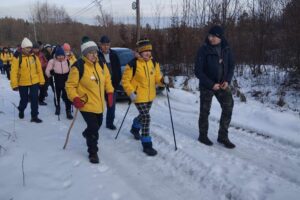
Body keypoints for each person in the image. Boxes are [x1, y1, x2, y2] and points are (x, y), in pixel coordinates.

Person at [65, 37, 114, 164]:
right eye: (90, 53)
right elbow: (70, 86)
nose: (93, 55)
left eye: (95, 52)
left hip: (99, 104)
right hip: (85, 103)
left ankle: (87, 133)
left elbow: (107, 80)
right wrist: (75, 98)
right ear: (85, 54)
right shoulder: (78, 67)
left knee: (96, 126)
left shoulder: (101, 64)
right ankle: (93, 152)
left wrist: (109, 92)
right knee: (93, 127)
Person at [121, 38, 167, 156]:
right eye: (145, 51)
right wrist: (131, 92)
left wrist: (163, 81)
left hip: (150, 95)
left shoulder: (154, 63)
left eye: (149, 51)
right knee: (146, 117)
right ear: (140, 52)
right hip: (137, 96)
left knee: (142, 116)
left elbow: (157, 78)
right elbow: (125, 81)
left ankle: (135, 128)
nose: (148, 53)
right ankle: (147, 144)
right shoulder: (132, 64)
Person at [194, 25, 235, 149]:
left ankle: (223, 136)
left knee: (228, 106)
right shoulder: (203, 49)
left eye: (213, 36)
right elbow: (198, 71)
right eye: (209, 36)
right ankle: (203, 135)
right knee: (205, 111)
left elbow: (231, 66)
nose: (210, 38)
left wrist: (227, 80)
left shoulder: (226, 48)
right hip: (207, 85)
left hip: (222, 84)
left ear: (220, 37)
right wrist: (211, 84)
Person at [10, 37, 45, 123]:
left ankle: (34, 116)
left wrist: (41, 80)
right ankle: (21, 109)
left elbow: (39, 70)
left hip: (34, 82)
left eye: (30, 48)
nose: (29, 50)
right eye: (27, 48)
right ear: (22, 48)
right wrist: (14, 84)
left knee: (34, 99)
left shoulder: (34, 57)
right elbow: (13, 72)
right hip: (22, 82)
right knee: (24, 100)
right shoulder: (18, 58)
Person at [97, 35, 121, 130]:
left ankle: (109, 123)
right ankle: (97, 120)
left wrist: (116, 82)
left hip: (112, 85)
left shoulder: (114, 54)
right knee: (99, 104)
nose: (106, 46)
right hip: (101, 86)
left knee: (111, 105)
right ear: (100, 45)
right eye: (103, 45)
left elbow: (118, 70)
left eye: (107, 44)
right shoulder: (97, 56)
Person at [45, 47, 73, 119]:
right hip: (56, 79)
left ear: (64, 55)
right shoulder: (52, 61)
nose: (60, 57)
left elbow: (71, 70)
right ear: (56, 55)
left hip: (65, 79)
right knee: (56, 95)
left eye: (62, 55)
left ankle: (68, 110)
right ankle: (58, 107)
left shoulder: (67, 61)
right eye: (59, 56)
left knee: (67, 96)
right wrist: (50, 73)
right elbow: (47, 71)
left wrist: (71, 74)